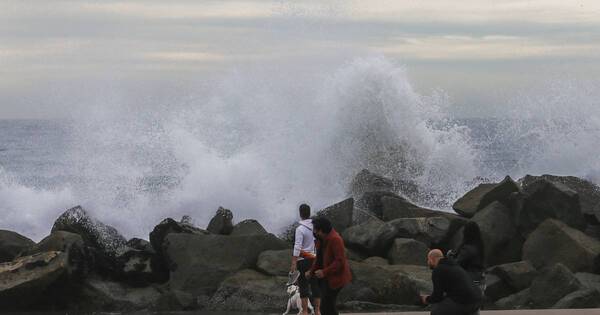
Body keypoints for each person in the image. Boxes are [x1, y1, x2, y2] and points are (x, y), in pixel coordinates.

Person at [306, 217, 352, 315]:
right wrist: (311, 271)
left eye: (315, 230)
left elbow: (340, 261)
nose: (314, 232)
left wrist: (324, 272)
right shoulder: (320, 239)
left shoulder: (335, 239)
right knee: (328, 306)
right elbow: (319, 258)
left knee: (326, 306)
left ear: (322, 230)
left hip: (336, 278)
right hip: (326, 278)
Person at [421, 249, 482, 315]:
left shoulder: (438, 270)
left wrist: (426, 299)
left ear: (432, 259)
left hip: (465, 302)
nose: (428, 262)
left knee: (436, 312)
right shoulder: (455, 265)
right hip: (477, 300)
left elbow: (437, 296)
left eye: (428, 259)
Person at [290, 204, 320, 315]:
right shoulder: (316, 228)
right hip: (314, 259)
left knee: (303, 285)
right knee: (315, 284)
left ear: (300, 213)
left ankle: (305, 311)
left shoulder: (300, 229)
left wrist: (293, 262)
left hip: (303, 260)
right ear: (309, 213)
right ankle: (317, 311)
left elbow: (297, 246)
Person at [448, 221, 486, 292]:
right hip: (479, 279)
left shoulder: (468, 248)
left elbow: (457, 263)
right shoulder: (479, 245)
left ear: (466, 233)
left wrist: (449, 256)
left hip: (470, 280)